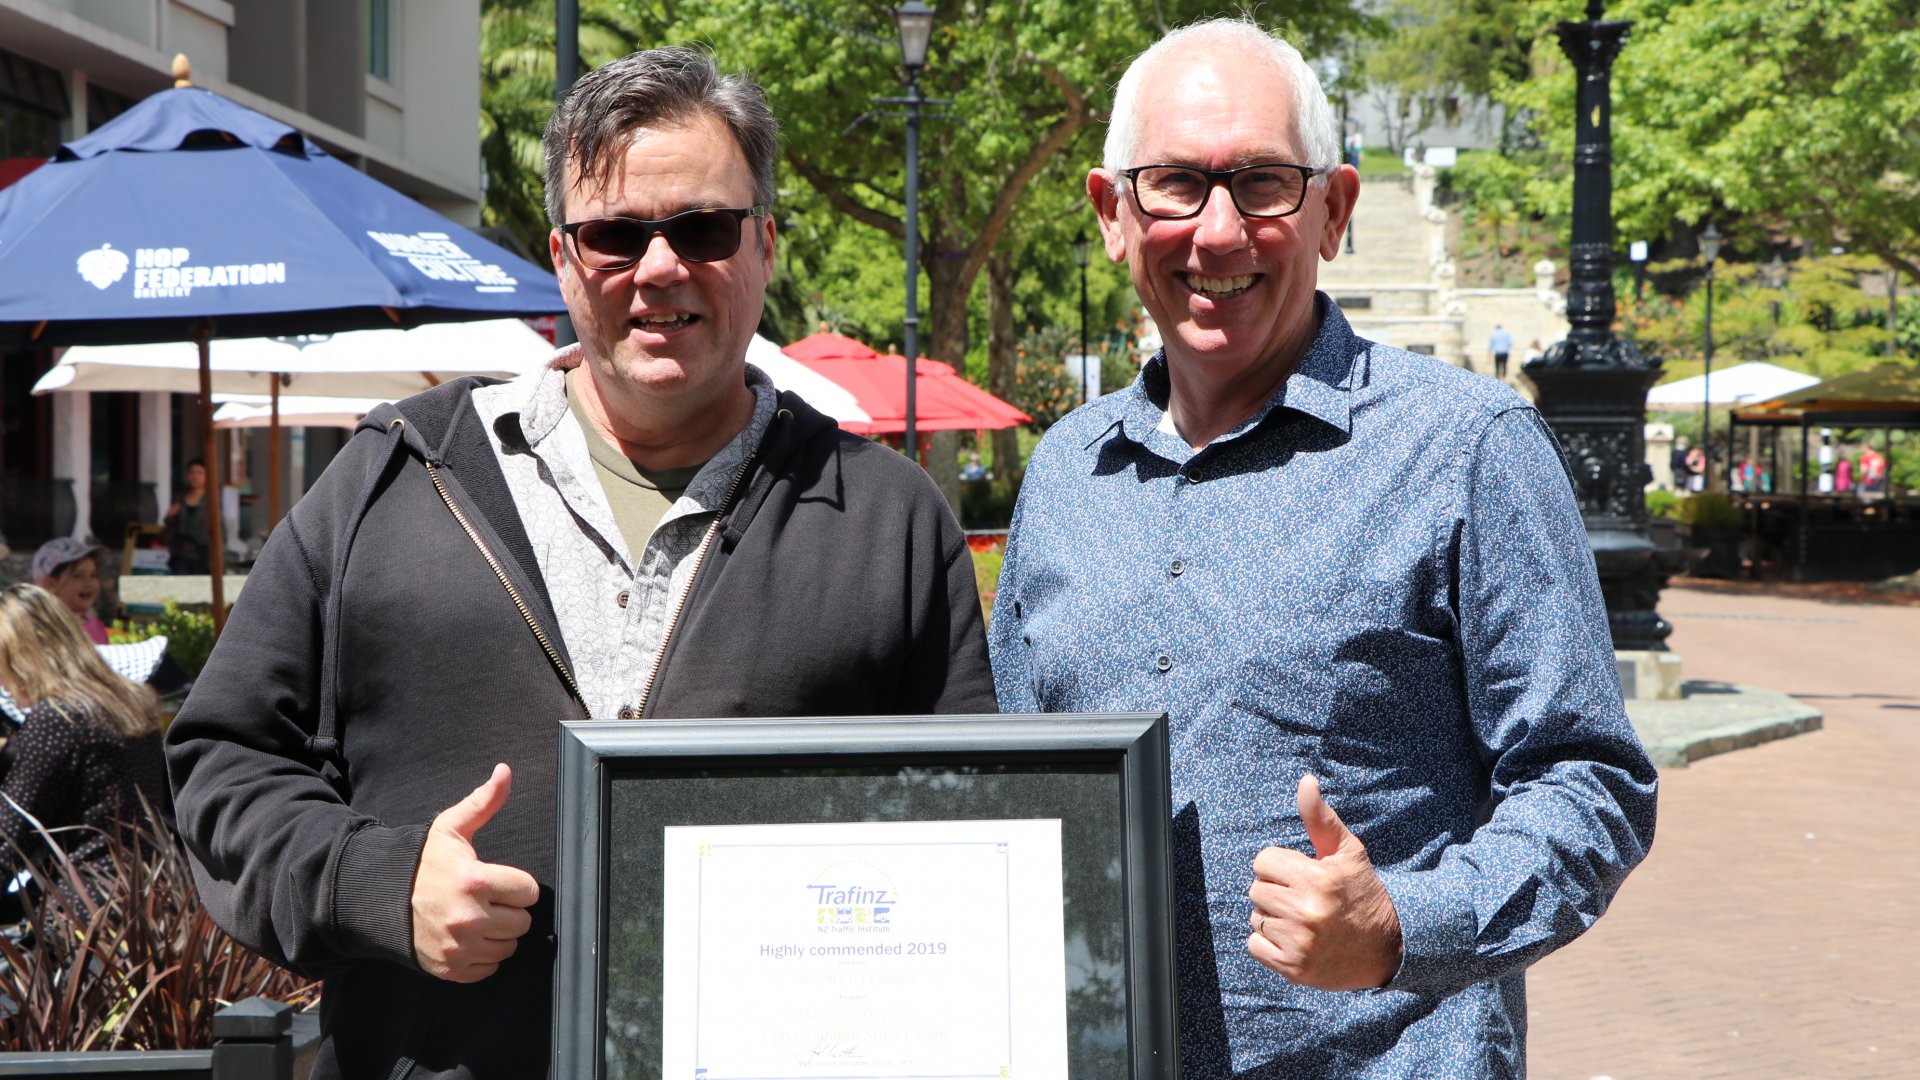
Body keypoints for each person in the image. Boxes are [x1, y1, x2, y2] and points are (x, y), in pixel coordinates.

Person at [167, 47, 996, 1079]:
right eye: (614, 235)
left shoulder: (885, 518)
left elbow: (970, 838)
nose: (659, 269)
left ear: (766, 245)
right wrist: (378, 884)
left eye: (703, 228)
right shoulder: (391, 477)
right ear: (564, 258)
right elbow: (223, 763)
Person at [989, 18, 1656, 1076]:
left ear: (1334, 210)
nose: (1216, 232)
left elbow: (1589, 781)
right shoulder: (1066, 473)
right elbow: (1012, 786)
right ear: (1113, 214)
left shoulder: (1467, 449)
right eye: (1172, 184)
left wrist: (1406, 923)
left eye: (1262, 183)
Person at [0, 584, 169, 884]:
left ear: (21, 659)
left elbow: (8, 840)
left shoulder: (58, 719)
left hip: (81, 912)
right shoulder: (131, 701)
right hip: (148, 899)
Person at [31, 538, 110, 645]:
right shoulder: (42, 629)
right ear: (50, 584)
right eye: (78, 576)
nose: (89, 583)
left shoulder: (95, 627)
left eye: (93, 575)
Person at [160, 459, 210, 574]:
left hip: (203, 551)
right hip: (181, 551)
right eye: (191, 472)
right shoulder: (181, 496)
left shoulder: (211, 498)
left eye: (199, 473)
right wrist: (171, 516)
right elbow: (170, 523)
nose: (195, 476)